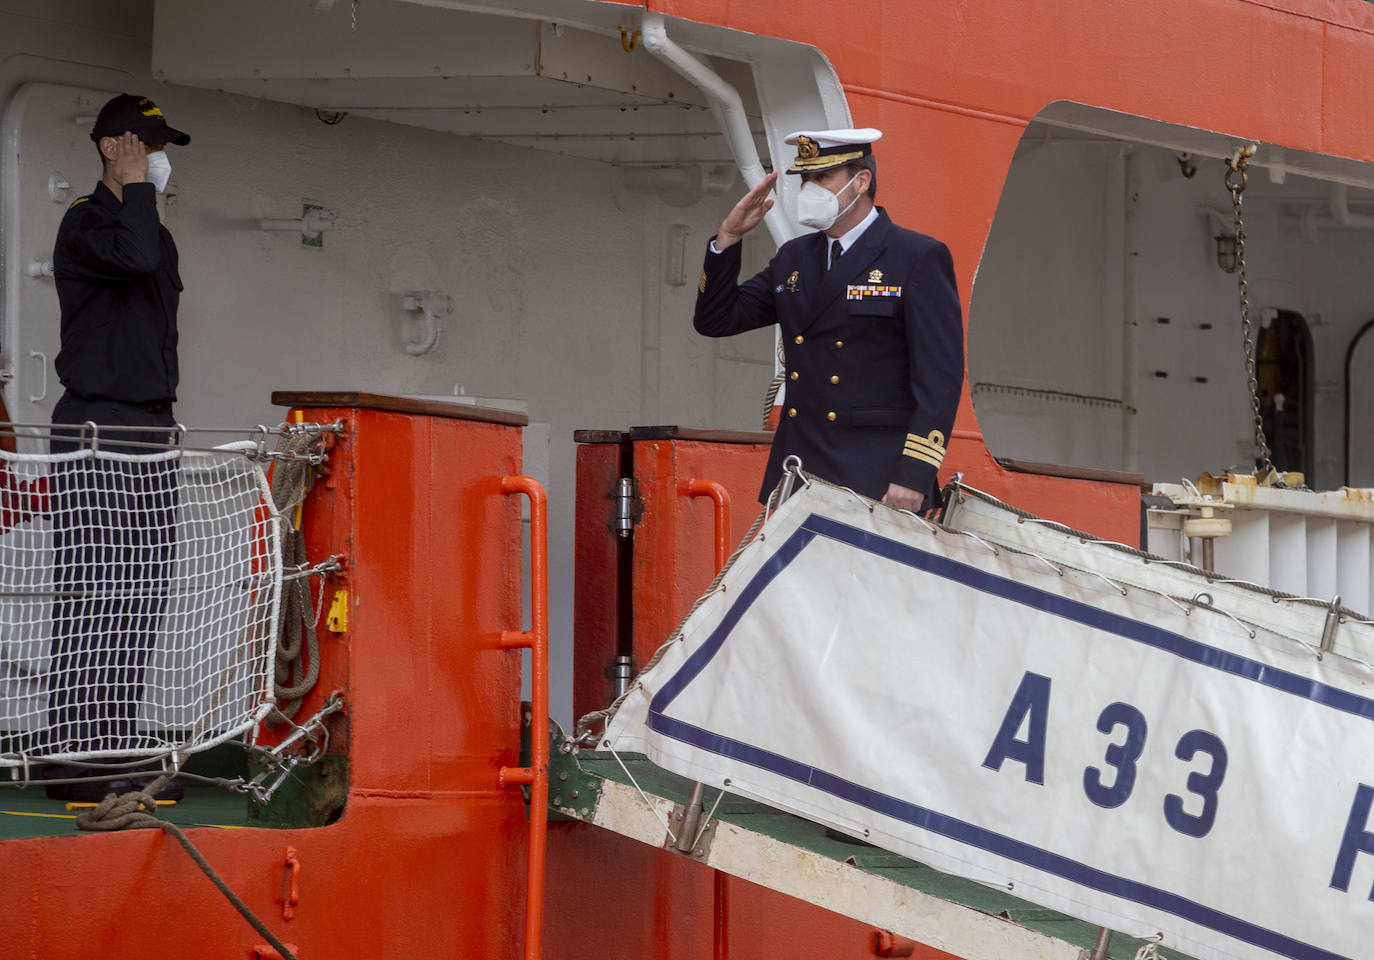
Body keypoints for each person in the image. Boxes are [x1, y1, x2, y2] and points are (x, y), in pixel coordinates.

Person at [42, 94, 189, 802]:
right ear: (112, 147)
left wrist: (143, 198)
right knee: (95, 587)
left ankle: (116, 737)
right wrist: (135, 191)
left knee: (142, 588)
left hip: (149, 424)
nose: (159, 159)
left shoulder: (150, 227)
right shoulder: (87, 223)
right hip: (98, 423)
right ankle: (74, 747)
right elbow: (131, 259)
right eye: (146, 145)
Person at [694, 129, 963, 514]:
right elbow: (716, 319)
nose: (809, 189)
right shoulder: (794, 258)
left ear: (861, 181)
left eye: (822, 178)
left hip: (877, 477)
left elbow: (940, 378)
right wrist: (728, 239)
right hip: (798, 471)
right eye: (805, 179)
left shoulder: (915, 257)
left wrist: (915, 473)